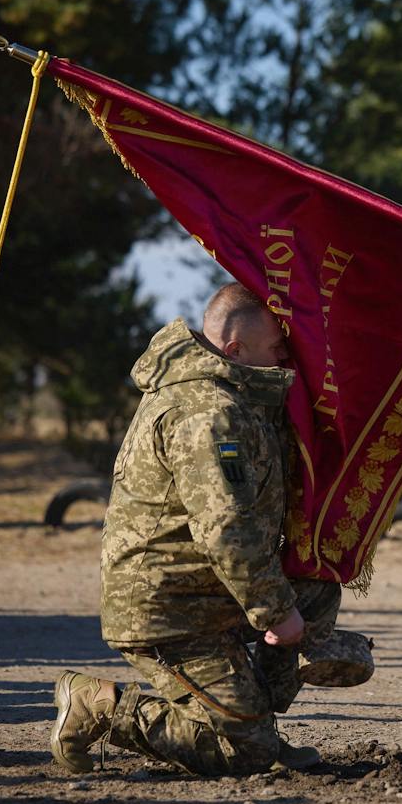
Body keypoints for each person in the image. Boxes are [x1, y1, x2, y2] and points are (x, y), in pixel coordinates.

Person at [51, 283, 363, 776]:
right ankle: (99, 707)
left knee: (315, 588)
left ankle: (248, 716)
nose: (289, 357)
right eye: (279, 347)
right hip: (168, 608)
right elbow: (228, 530)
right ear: (235, 350)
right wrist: (277, 614)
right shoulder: (209, 415)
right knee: (245, 754)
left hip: (207, 591)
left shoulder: (237, 396)